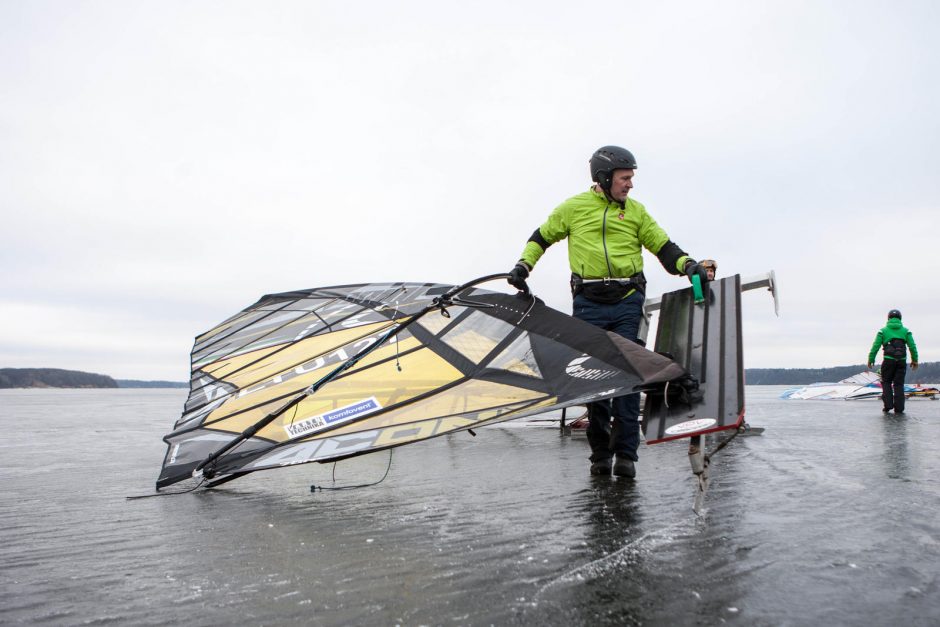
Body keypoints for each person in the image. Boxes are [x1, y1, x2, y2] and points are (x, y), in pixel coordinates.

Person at [507, 145, 715, 478]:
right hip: (588, 302)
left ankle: (626, 456)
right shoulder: (574, 208)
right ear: (604, 178)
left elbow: (663, 246)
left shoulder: (636, 212)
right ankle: (600, 455)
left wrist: (687, 264)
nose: (630, 185)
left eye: (631, 178)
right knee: (595, 381)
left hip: (627, 299)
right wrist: (523, 266)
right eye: (624, 178)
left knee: (629, 378)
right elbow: (541, 237)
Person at [868, 309, 919, 414]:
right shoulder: (906, 331)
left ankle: (888, 406)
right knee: (899, 384)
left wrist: (871, 359)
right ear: (900, 318)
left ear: (888, 318)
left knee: (886, 382)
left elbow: (875, 346)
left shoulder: (883, 331)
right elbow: (912, 347)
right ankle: (899, 409)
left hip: (888, 361)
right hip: (901, 362)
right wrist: (915, 360)